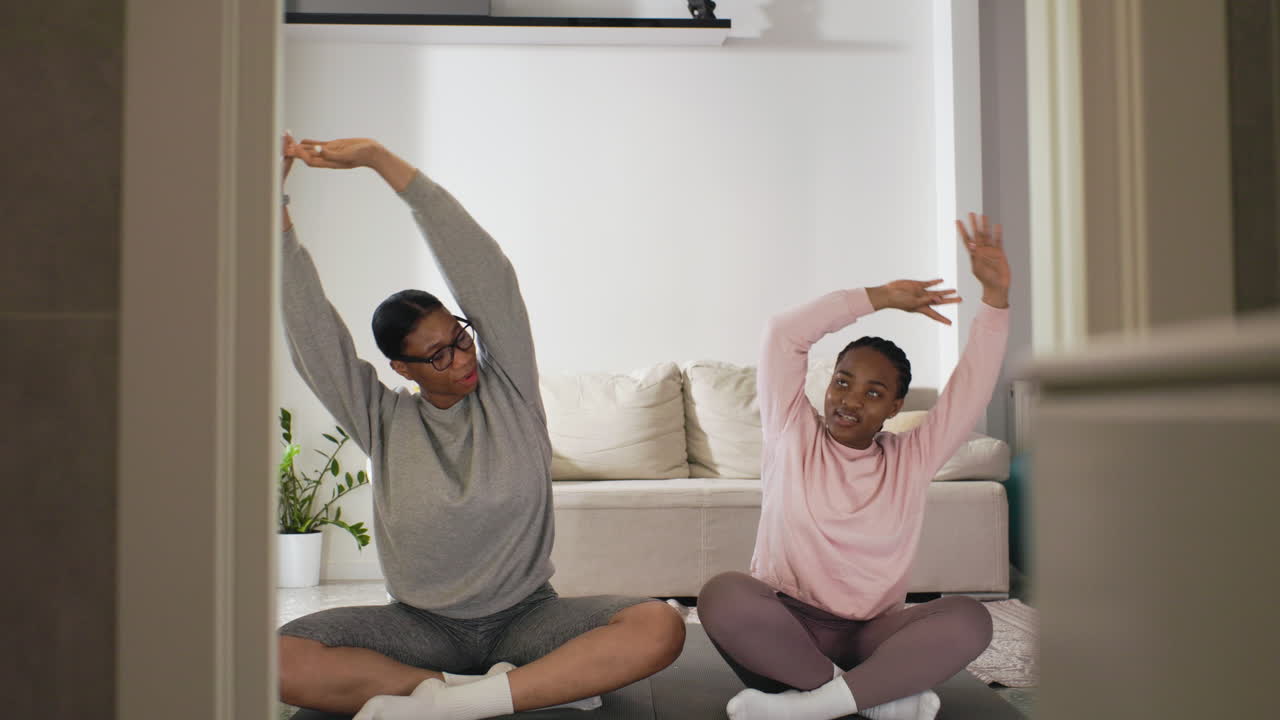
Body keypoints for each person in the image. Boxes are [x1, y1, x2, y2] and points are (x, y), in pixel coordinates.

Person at [276, 134, 685, 720]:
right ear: (402, 368)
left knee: (660, 625)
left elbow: (488, 275)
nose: (461, 359)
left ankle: (444, 701)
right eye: (437, 355)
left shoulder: (510, 390)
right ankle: (506, 690)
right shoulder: (382, 420)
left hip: (528, 617)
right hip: (420, 627)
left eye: (460, 338)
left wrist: (380, 162)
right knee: (277, 657)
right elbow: (313, 336)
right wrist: (273, 210)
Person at [697, 214, 1012, 720]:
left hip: (871, 640)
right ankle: (866, 700)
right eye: (842, 381)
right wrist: (879, 297)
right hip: (786, 639)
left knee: (971, 619)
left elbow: (971, 388)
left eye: (873, 392)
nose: (849, 400)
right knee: (723, 595)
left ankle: (813, 707)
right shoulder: (791, 431)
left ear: (894, 407)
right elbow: (783, 334)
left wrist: (995, 299)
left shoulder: (911, 458)